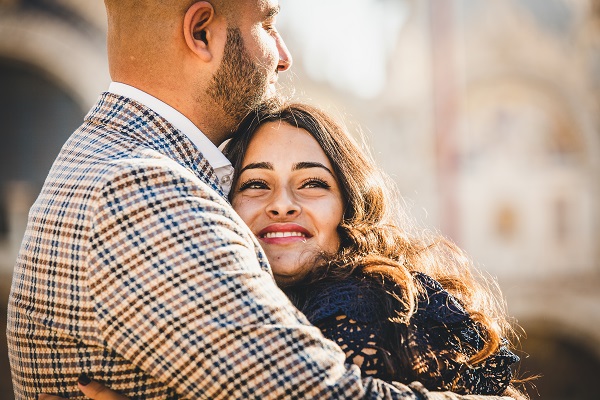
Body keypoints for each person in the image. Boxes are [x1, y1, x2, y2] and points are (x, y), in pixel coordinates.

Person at [8, 0, 516, 399]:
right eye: (268, 24)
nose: (284, 55)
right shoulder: (143, 188)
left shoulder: (110, 162)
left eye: (313, 183)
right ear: (201, 31)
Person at [40, 103, 527, 400]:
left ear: (347, 206)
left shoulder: (357, 307)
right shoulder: (238, 305)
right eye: (256, 184)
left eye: (311, 183)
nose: (282, 205)